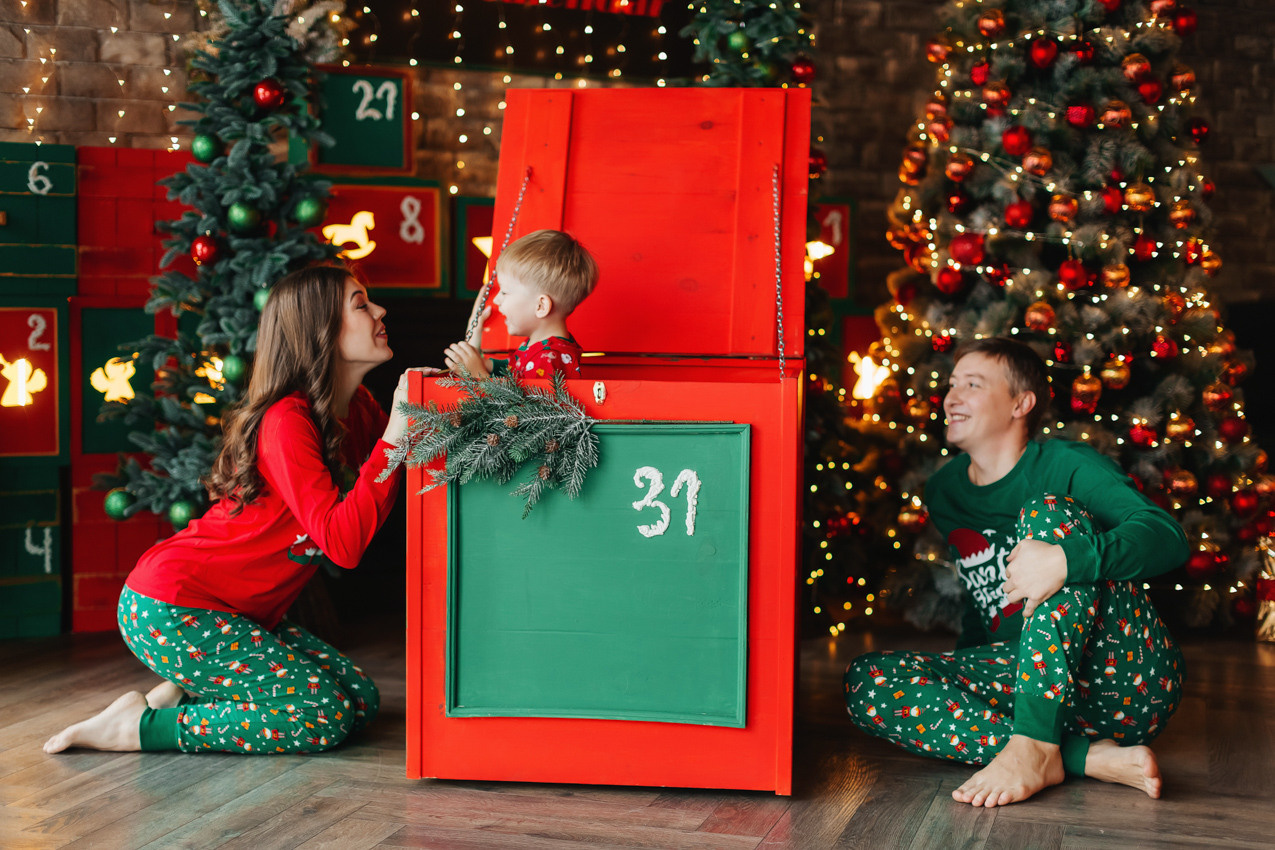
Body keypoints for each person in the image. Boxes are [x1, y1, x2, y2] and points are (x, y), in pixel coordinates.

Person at [45, 265, 415, 755]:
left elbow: (401, 468)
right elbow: (343, 544)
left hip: (243, 615)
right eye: (361, 304)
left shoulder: (360, 410)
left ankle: (182, 693)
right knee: (322, 713)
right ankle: (137, 728)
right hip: (173, 606)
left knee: (360, 701)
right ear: (320, 330)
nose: (380, 311)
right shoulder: (287, 421)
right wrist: (397, 435)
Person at [843, 337, 1186, 807]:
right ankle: (1078, 757)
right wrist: (960, 676)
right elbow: (980, 594)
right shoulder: (945, 490)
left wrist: (1064, 560)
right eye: (951, 384)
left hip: (1122, 677)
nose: (951, 397)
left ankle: (1036, 745)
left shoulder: (1065, 465)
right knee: (868, 680)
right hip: (1026, 682)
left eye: (972, 385)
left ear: (1020, 404)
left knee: (1048, 513)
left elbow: (1166, 536)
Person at [443, 229, 598, 379]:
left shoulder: (548, 359)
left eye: (505, 292)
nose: (496, 300)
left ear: (541, 306)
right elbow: (513, 370)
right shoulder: (538, 348)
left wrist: (477, 374)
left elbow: (516, 398)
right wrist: (479, 355)